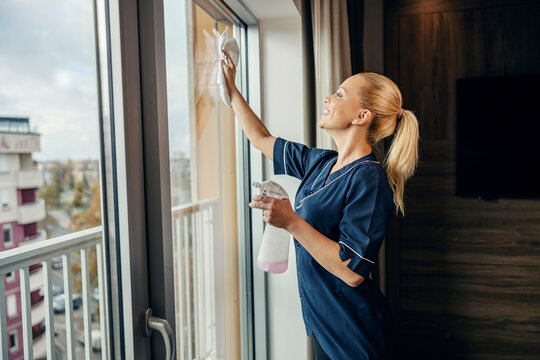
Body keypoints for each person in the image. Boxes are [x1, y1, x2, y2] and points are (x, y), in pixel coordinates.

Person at [220, 50, 419, 359]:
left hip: (353, 333)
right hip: (322, 323)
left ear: (361, 116)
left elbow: (353, 271)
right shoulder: (321, 162)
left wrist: (291, 221)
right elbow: (261, 139)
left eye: (339, 94)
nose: (328, 98)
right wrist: (232, 92)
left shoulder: (369, 178)